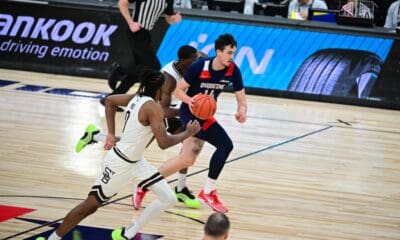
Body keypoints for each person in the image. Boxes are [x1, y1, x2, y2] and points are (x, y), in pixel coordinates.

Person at [36, 69, 201, 240]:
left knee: (168, 198)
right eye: (165, 88)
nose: (168, 92)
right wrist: (188, 132)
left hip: (136, 162)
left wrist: (110, 133)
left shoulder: (138, 98)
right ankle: (52, 239)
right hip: (119, 164)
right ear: (158, 89)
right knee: (89, 206)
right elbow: (164, 143)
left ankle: (127, 233)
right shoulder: (152, 107)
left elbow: (109, 101)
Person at [76, 45, 204, 209]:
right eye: (194, 61)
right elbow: (163, 111)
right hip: (156, 112)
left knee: (188, 144)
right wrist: (186, 110)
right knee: (133, 145)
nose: (196, 63)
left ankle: (181, 188)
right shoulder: (168, 80)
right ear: (183, 61)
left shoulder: (191, 66)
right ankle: (96, 136)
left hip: (170, 109)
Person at [133, 33, 247, 213]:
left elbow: (241, 95)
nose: (231, 57)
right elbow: (179, 91)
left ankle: (144, 185)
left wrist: (242, 109)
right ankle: (208, 192)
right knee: (225, 145)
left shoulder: (233, 70)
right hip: (190, 113)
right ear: (218, 52)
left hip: (206, 115)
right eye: (229, 53)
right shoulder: (199, 66)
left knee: (186, 159)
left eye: (233, 53)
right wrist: (190, 101)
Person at [101, 0, 182, 105]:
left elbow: (168, 17)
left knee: (135, 74)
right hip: (136, 31)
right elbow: (122, 3)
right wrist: (131, 23)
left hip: (146, 34)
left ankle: (110, 99)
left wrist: (174, 19)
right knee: (154, 66)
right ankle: (120, 71)